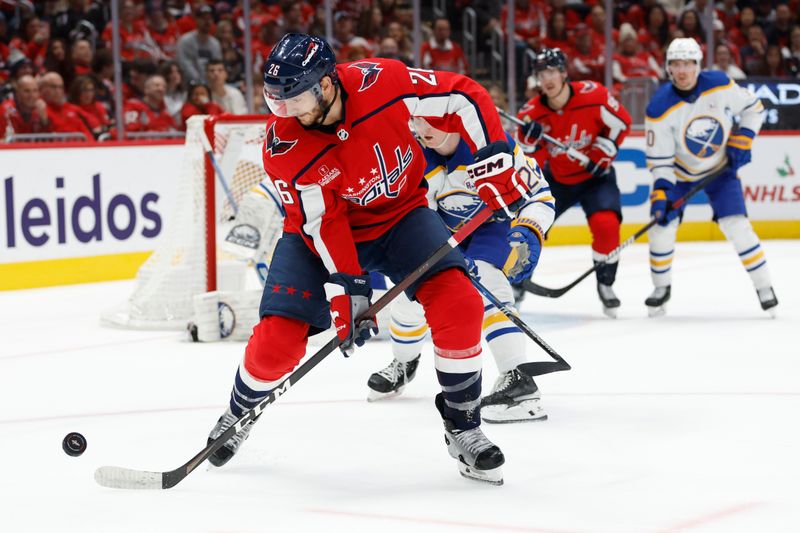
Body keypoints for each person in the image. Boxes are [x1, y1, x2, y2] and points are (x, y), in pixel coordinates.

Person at [206, 33, 541, 486]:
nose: (288, 114)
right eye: (277, 103)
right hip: (318, 237)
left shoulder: (383, 81)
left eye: (296, 100)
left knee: (460, 304)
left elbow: (463, 94)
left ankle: (463, 426)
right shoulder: (284, 146)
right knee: (277, 345)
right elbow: (323, 224)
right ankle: (238, 413)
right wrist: (349, 292)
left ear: (326, 85)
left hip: (402, 217)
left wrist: (494, 156)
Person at [366, 116, 555, 424]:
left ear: (453, 120)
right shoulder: (412, 155)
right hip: (442, 233)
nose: (421, 130)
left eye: (429, 123)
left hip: (493, 231)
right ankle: (403, 363)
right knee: (408, 296)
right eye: (416, 122)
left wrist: (530, 230)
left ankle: (518, 380)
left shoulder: (494, 146)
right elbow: (411, 209)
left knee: (488, 282)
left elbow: (539, 196)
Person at [643, 38, 778, 316]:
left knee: (738, 226)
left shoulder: (719, 83)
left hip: (720, 170)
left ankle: (765, 287)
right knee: (661, 230)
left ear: (698, 65)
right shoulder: (659, 108)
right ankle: (661, 288)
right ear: (668, 68)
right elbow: (661, 163)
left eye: (688, 64)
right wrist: (661, 194)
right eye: (676, 64)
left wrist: (743, 138)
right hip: (679, 176)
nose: (682, 71)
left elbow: (755, 109)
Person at [517, 48, 632, 317]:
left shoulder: (595, 96)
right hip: (556, 181)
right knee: (526, 228)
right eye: (541, 73)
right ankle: (516, 282)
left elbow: (622, 123)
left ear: (564, 73)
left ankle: (605, 284)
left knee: (607, 225)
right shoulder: (531, 114)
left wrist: (602, 152)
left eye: (552, 71)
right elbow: (525, 162)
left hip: (596, 178)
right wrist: (529, 140)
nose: (547, 79)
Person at [176, 4, 222, 83]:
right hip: (189, 86)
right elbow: (184, 66)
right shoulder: (185, 41)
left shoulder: (215, 44)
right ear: (196, 19)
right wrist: (200, 82)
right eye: (203, 18)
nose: (207, 22)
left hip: (211, 84)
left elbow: (217, 66)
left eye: (209, 18)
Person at [0, 75, 51, 140]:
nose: (32, 95)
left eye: (35, 91)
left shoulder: (42, 108)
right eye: (27, 91)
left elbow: (50, 140)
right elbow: (3, 140)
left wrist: (44, 121)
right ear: (17, 93)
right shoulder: (5, 110)